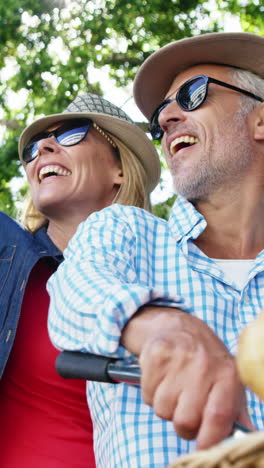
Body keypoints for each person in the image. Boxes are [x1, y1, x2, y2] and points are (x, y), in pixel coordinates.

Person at [47, 31, 264, 468]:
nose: (166, 119)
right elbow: (73, 288)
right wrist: (159, 325)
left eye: (192, 94)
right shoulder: (125, 229)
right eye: (159, 115)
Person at [0, 92, 160, 468]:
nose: (44, 148)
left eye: (72, 133)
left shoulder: (173, 274)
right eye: (33, 148)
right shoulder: (4, 250)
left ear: (120, 168)